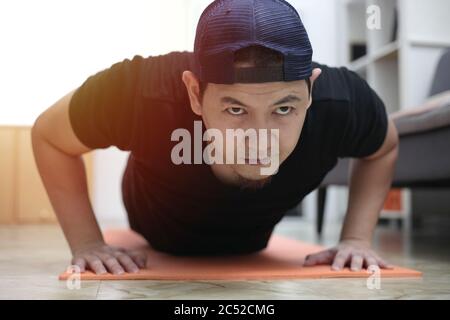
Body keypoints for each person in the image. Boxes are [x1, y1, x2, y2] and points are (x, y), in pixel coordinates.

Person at [32, 0, 398, 275]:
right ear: (194, 93)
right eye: (235, 109)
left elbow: (384, 148)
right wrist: (88, 243)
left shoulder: (343, 101)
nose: (260, 140)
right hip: (156, 224)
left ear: (311, 91)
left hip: (251, 240)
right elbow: (49, 135)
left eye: (283, 109)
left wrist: (356, 238)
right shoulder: (140, 91)